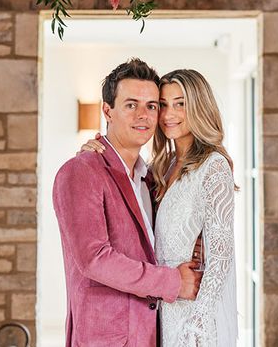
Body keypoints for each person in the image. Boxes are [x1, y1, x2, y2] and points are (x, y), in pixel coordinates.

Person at [53, 59, 202, 347]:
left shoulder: (151, 179)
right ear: (107, 111)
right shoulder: (81, 171)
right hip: (105, 338)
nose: (143, 116)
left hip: (154, 334)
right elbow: (94, 258)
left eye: (151, 106)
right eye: (131, 105)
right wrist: (173, 282)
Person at [83, 68, 238, 346]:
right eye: (163, 105)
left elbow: (222, 259)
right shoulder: (159, 169)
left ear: (199, 106)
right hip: (159, 307)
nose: (168, 115)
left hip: (192, 311)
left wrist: (197, 326)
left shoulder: (213, 166)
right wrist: (94, 150)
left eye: (181, 104)